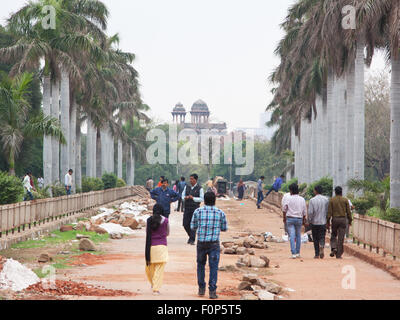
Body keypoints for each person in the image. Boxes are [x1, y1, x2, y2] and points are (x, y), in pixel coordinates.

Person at [191, 191, 228, 299]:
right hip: (214, 244)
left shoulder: (197, 211)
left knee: (200, 265)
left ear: (204, 200)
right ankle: (212, 291)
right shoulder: (220, 213)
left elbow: (193, 226)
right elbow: (224, 228)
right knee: (213, 267)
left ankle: (201, 289)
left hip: (201, 243)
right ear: (214, 200)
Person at [145, 204, 170, 295]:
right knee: (159, 269)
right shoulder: (166, 220)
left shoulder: (149, 220)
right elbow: (167, 233)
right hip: (162, 247)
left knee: (150, 268)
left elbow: (147, 232)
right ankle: (156, 289)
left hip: (151, 247)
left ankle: (153, 284)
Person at [327, 186, 352, 259]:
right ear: (341, 192)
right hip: (343, 219)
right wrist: (350, 220)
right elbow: (348, 212)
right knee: (341, 237)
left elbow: (329, 212)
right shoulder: (345, 200)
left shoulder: (332, 200)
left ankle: (334, 247)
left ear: (335, 192)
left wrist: (327, 221)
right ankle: (338, 254)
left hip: (335, 219)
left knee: (334, 234)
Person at [283, 183, 307, 259]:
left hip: (290, 218)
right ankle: (298, 253)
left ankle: (293, 253)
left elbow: (284, 209)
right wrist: (303, 220)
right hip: (299, 219)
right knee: (298, 236)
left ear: (291, 190)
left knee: (292, 236)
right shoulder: (302, 199)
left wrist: (284, 218)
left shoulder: (288, 198)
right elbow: (304, 211)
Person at [182, 174, 204, 245]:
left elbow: (202, 198)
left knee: (193, 224)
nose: (190, 180)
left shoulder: (200, 188)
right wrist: (185, 198)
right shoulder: (187, 187)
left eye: (192, 179)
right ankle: (191, 236)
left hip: (195, 208)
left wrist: (193, 198)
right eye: (190, 179)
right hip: (187, 207)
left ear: (195, 180)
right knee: (185, 224)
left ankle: (192, 239)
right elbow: (182, 196)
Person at [308, 185, 329, 259]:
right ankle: (322, 245)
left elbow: (310, 212)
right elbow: (327, 211)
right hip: (323, 221)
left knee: (315, 238)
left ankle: (317, 254)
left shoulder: (312, 200)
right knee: (322, 236)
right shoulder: (326, 199)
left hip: (314, 222)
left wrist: (309, 220)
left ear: (315, 191)